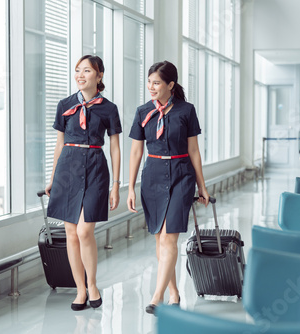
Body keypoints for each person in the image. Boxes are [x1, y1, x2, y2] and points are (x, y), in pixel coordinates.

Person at [127, 60, 209, 314]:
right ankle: (174, 292)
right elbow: (136, 152)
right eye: (149, 82)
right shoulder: (143, 112)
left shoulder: (186, 110)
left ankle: (156, 296)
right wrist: (129, 187)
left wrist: (202, 186)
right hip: (152, 176)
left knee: (169, 237)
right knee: (159, 240)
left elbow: (193, 150)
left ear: (170, 85)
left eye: (157, 83)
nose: (151, 87)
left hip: (181, 176)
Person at [45, 55, 122, 311]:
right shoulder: (64, 104)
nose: (80, 75)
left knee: (84, 231)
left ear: (99, 76)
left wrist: (116, 185)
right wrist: (53, 177)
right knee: (70, 233)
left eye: (86, 71)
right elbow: (59, 143)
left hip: (95, 167)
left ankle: (92, 284)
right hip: (67, 167)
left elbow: (115, 146)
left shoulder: (109, 108)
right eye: (77, 70)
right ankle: (79, 290)